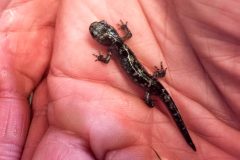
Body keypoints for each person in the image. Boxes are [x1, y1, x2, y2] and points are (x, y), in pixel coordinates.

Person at [0, 0, 239, 159]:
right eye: (97, 31)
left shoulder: (113, 51)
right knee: (157, 92)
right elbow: (129, 35)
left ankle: (181, 130)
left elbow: (106, 60)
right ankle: (171, 116)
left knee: (163, 101)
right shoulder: (119, 44)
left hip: (150, 86)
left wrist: (149, 101)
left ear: (107, 37)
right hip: (152, 81)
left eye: (100, 30)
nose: (96, 31)